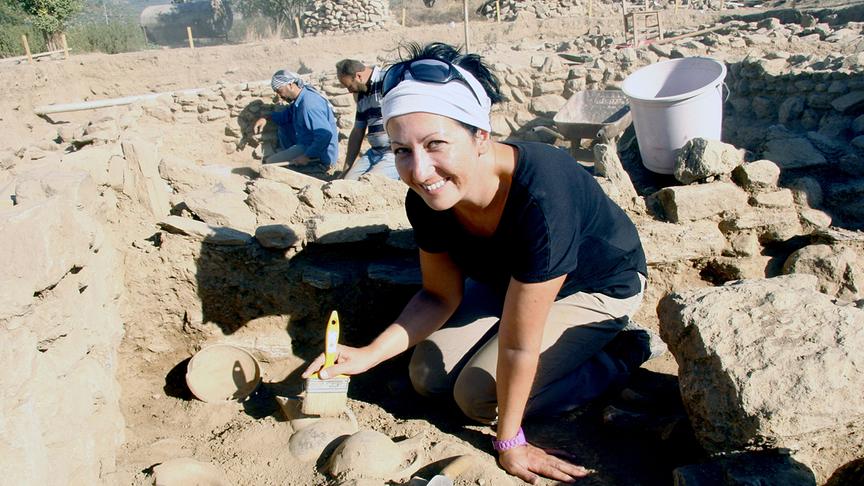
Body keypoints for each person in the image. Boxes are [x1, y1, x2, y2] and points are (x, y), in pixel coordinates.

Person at [303, 43, 651, 484]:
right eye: (401, 151)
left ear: (480, 136)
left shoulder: (542, 196)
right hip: (513, 285)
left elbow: (519, 346)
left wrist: (510, 442)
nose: (421, 171)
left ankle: (621, 353)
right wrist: (368, 355)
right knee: (427, 376)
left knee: (478, 398)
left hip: (596, 286)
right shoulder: (428, 200)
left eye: (436, 145)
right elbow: (438, 294)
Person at [253, 69, 339, 169]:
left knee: (269, 164)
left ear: (291, 85)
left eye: (280, 91)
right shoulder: (299, 100)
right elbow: (284, 117)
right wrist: (266, 117)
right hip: (306, 145)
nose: (280, 97)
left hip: (320, 155)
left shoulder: (309, 104)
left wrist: (307, 156)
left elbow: (325, 135)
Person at [335, 59, 399, 180]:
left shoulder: (388, 79)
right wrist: (347, 168)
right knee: (347, 183)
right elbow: (358, 131)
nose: (349, 91)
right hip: (374, 152)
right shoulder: (362, 93)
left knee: (367, 183)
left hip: (393, 152)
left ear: (358, 76)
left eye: (349, 86)